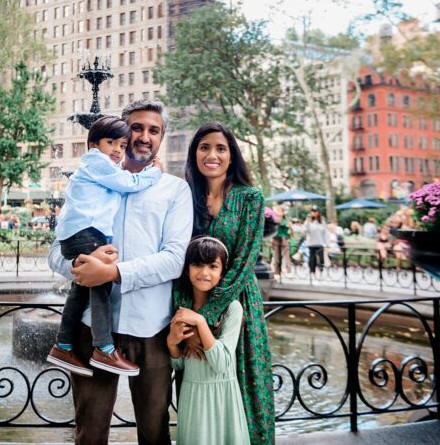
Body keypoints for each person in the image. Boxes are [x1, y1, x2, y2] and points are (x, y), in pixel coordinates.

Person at [47, 99, 192, 445]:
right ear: (122, 134)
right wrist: (81, 268)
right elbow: (55, 253)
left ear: (161, 138)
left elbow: (174, 260)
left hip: (152, 330)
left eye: (153, 130)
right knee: (89, 433)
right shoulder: (89, 182)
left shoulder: (175, 189)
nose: (144, 136)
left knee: (154, 432)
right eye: (136, 128)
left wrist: (111, 273)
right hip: (91, 330)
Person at [174, 121, 275, 445]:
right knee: (195, 385)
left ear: (232, 156)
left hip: (237, 305)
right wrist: (184, 310)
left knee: (245, 385)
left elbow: (246, 260)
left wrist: (209, 314)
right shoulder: (185, 196)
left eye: (220, 148)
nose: (212, 155)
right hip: (191, 304)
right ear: (194, 154)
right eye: (204, 147)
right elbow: (178, 257)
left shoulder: (250, 197)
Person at [47, 116, 162, 377]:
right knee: (100, 286)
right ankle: (104, 348)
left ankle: (62, 345)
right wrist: (154, 172)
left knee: (81, 290)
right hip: (87, 233)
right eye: (111, 143)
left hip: (79, 234)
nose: (117, 150)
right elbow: (127, 184)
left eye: (122, 146)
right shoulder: (96, 162)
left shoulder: (101, 168)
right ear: (92, 144)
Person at [167, 236, 250, 445]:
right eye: (197, 265)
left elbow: (221, 363)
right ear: (187, 269)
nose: (204, 273)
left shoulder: (232, 308)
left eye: (213, 266)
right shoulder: (181, 308)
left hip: (223, 395)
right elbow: (178, 365)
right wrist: (171, 342)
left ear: (222, 272)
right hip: (192, 395)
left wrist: (201, 323)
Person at [303, 210, 328, 275]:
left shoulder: (322, 222)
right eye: (313, 212)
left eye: (316, 211)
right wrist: (307, 223)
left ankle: (321, 271)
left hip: (320, 243)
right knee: (312, 258)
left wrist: (326, 243)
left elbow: (325, 233)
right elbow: (304, 231)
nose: (314, 213)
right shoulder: (309, 222)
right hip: (311, 243)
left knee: (321, 258)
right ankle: (312, 271)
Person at [270, 206, 292, 279]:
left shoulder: (286, 220)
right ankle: (277, 272)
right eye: (277, 210)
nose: (278, 212)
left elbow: (290, 232)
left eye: (280, 210)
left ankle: (288, 272)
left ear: (283, 212)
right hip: (276, 239)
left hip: (284, 239)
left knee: (286, 257)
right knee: (276, 257)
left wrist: (290, 228)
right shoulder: (274, 220)